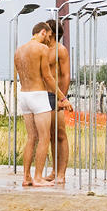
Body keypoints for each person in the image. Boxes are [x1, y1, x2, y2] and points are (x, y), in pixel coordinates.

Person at [14, 22, 70, 187]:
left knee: (32, 138)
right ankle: (38, 177)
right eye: (47, 35)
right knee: (45, 138)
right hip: (39, 96)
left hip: (24, 95)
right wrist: (63, 98)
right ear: (43, 32)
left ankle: (26, 177)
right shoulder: (42, 49)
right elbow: (47, 77)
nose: (48, 39)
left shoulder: (19, 50)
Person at [45, 19, 72, 184]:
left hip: (56, 96)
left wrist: (62, 98)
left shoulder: (60, 50)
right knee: (49, 136)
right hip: (43, 96)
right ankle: (54, 170)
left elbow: (65, 75)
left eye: (46, 30)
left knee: (60, 134)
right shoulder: (42, 49)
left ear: (53, 33)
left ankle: (61, 173)